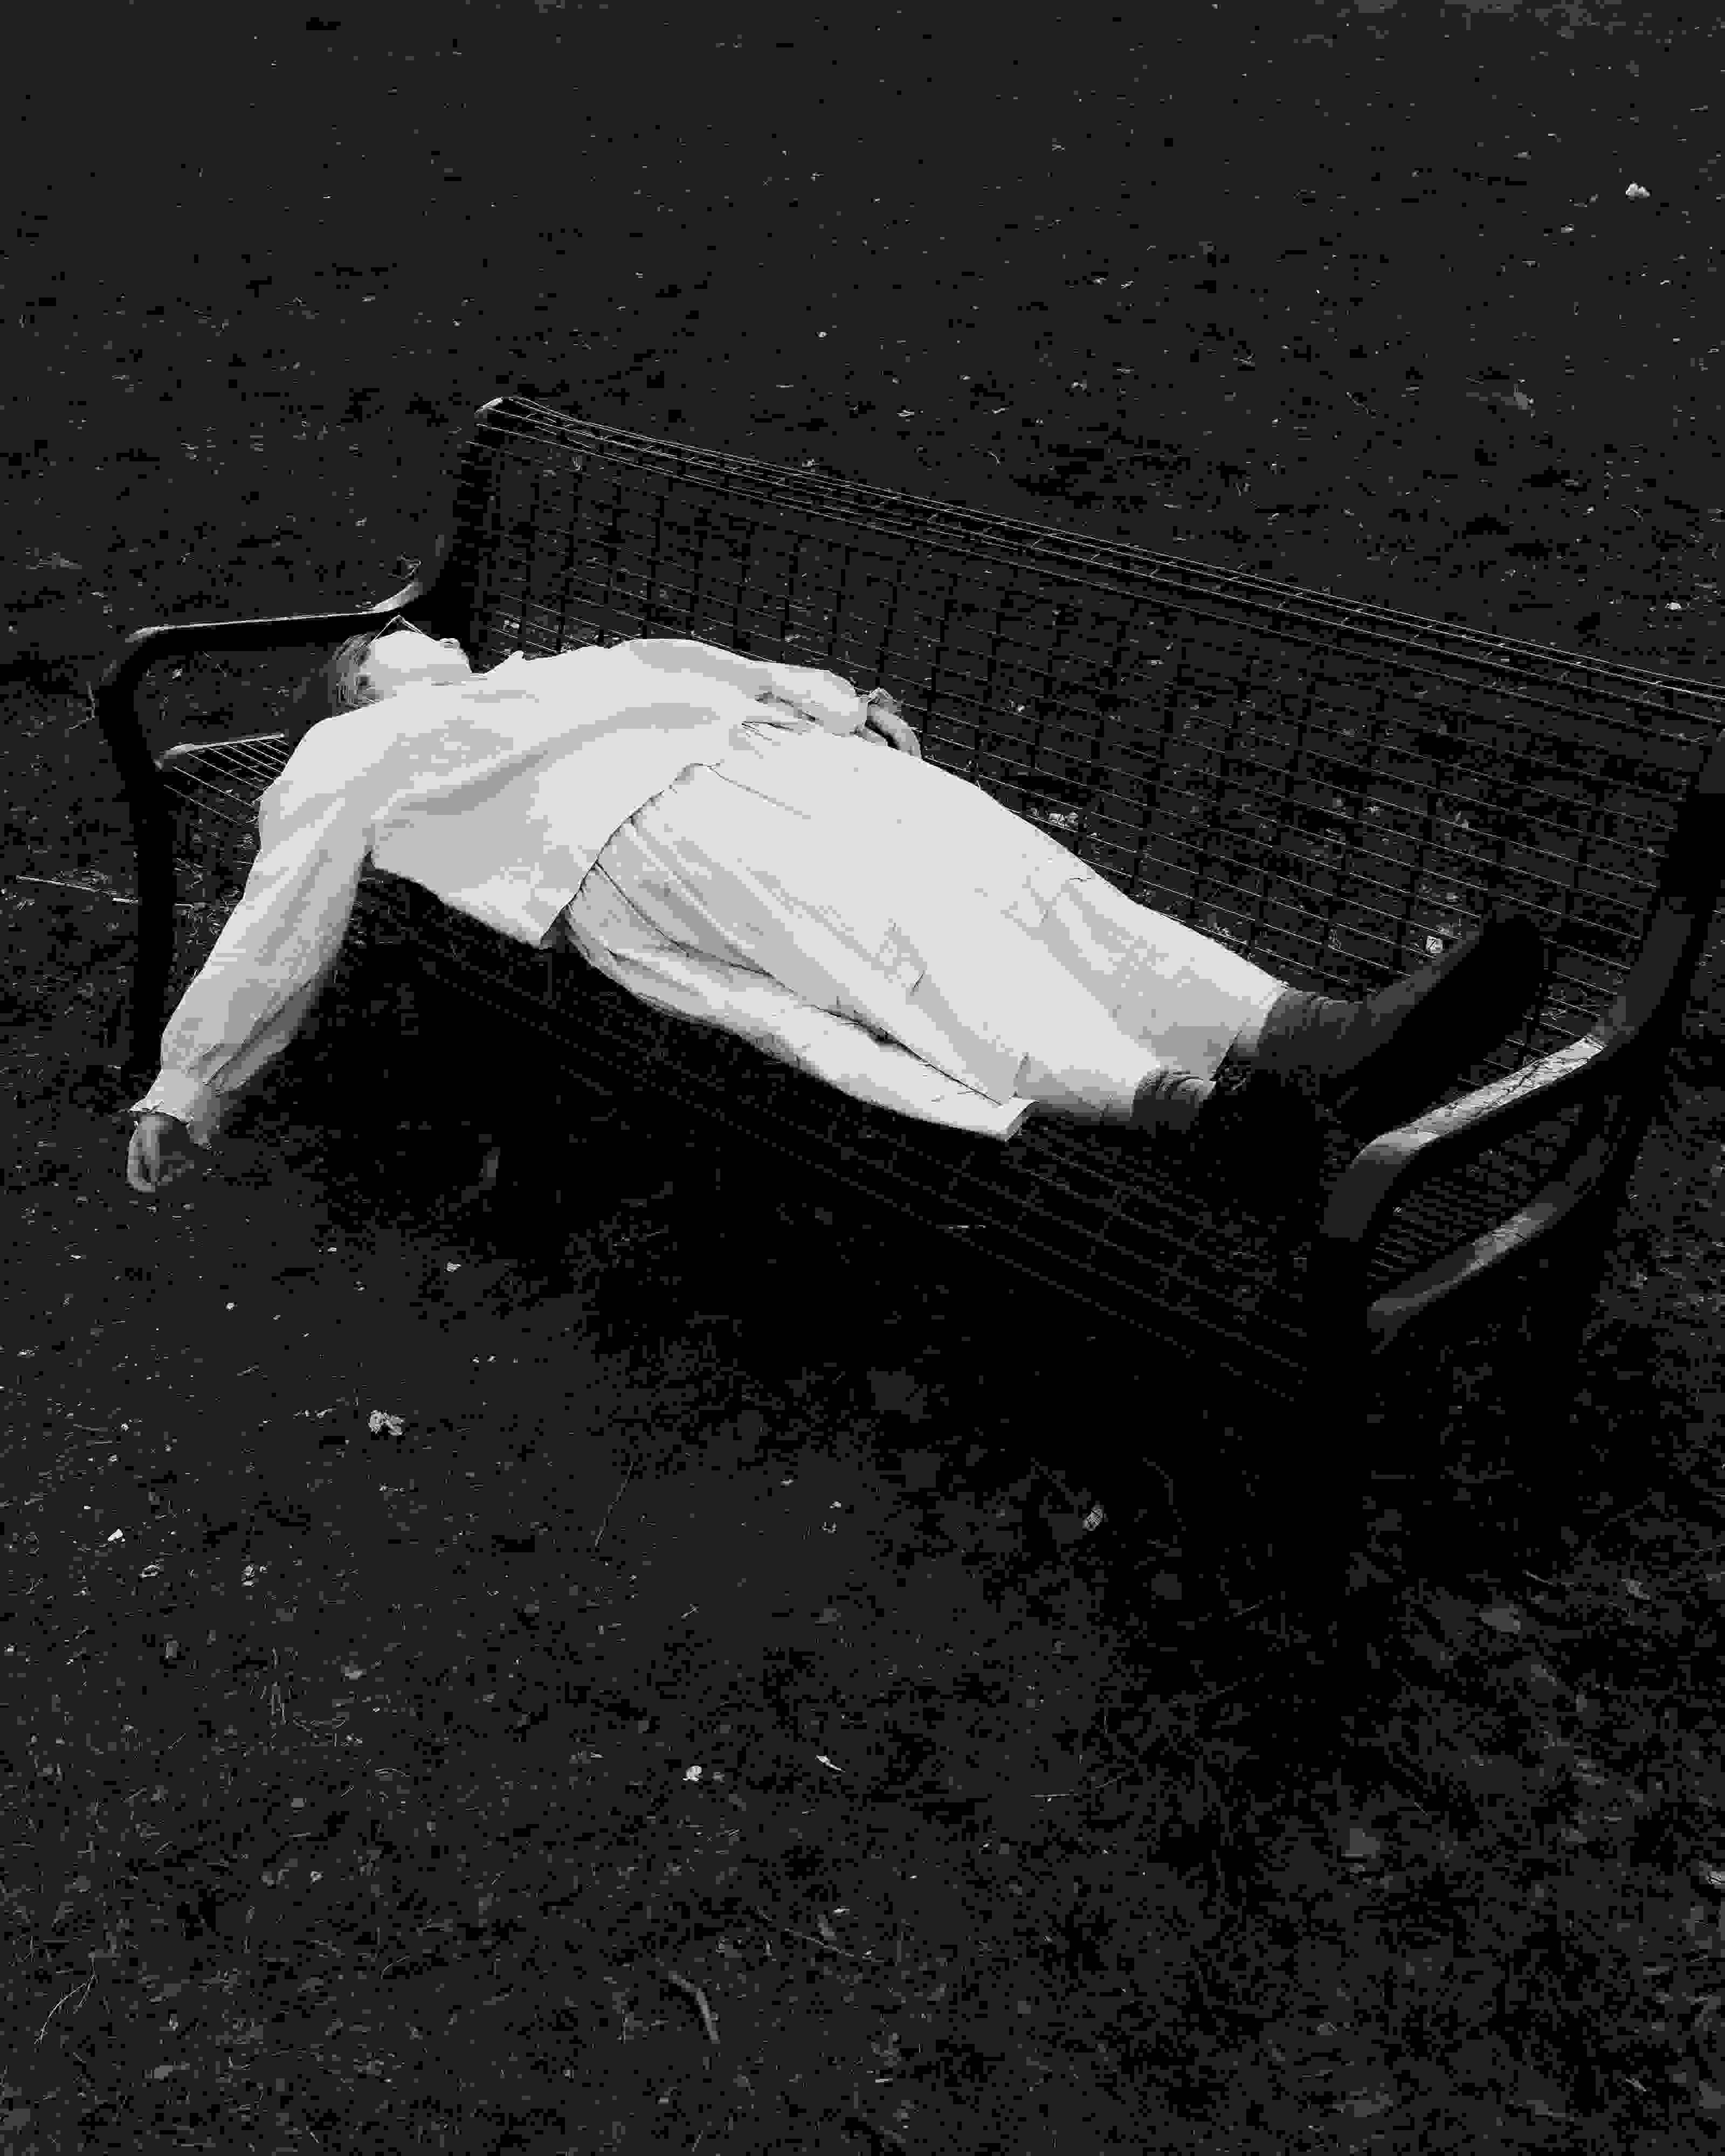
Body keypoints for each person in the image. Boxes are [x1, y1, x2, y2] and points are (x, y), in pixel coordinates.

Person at [125, 620, 1547, 1203]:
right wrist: (195, 1080)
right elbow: (283, 905)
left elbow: (715, 665)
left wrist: (826, 705)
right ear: (368, 688)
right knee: (917, 957)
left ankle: (1322, 1040)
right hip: (645, 843)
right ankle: (1189, 1113)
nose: (418, 641)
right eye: (385, 649)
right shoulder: (352, 755)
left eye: (411, 632)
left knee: (1043, 889)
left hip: (791, 771)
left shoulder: (573, 663)